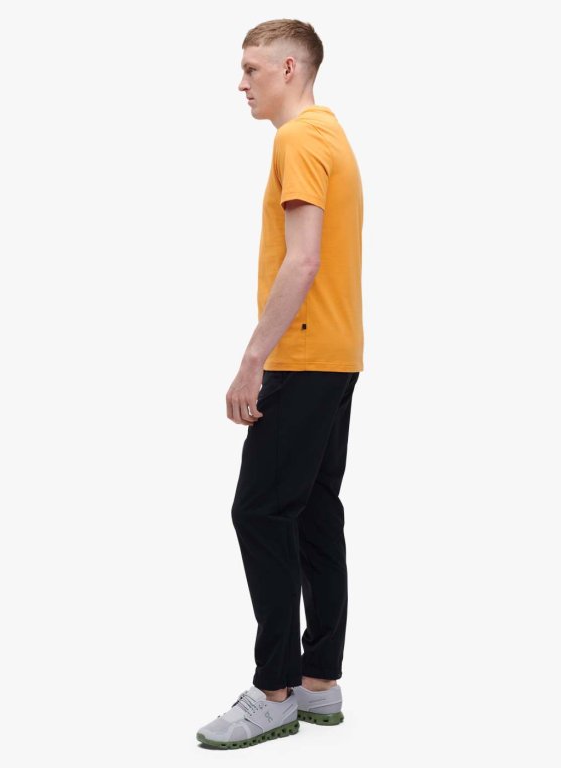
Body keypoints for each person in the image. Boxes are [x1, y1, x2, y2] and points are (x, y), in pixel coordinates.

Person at [195, 19, 365, 749]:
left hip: (300, 355)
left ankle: (273, 694)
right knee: (313, 513)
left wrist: (252, 359)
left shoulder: (298, 140)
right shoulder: (331, 134)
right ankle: (319, 682)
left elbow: (302, 259)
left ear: (290, 68)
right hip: (337, 352)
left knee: (260, 512)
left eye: (252, 69)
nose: (241, 83)